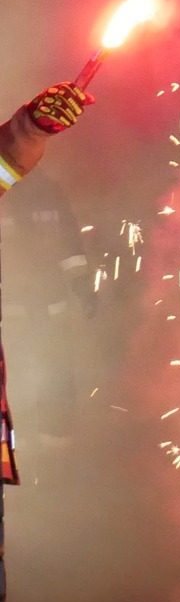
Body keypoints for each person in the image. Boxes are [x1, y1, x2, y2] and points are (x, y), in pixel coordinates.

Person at [0, 82, 91, 484]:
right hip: (13, 316)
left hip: (48, 310)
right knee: (26, 383)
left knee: (55, 381)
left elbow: (69, 243)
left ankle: (54, 469)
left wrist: (32, 127)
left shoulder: (47, 192)